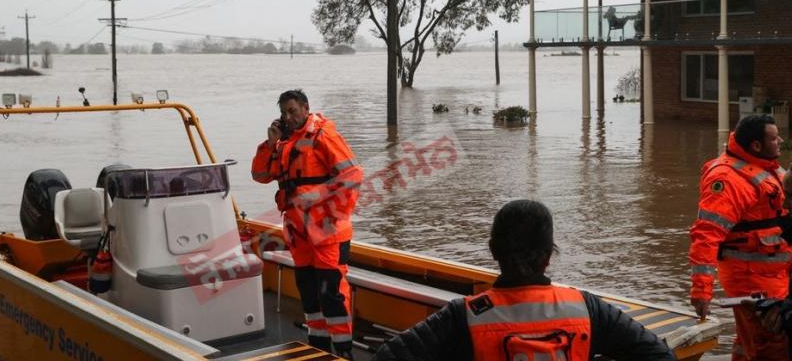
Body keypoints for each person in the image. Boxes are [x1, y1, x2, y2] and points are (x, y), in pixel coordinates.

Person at [373, 199, 676, 361]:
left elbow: (388, 357)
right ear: (548, 255)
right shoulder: (587, 309)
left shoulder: (462, 316)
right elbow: (659, 355)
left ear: (493, 251)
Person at [252, 89, 363, 358]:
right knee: (310, 292)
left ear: (305, 108)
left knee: (331, 294)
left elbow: (352, 176)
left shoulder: (323, 135)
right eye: (284, 113)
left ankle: (343, 351)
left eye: (292, 111)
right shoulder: (283, 143)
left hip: (327, 232)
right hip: (298, 232)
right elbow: (259, 174)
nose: (288, 117)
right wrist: (270, 145)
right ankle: (319, 347)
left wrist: (327, 213)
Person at [689, 114, 792, 360]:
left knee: (750, 342)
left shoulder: (766, 165)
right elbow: (707, 234)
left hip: (773, 272)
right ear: (756, 145)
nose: (781, 140)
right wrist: (702, 289)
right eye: (774, 137)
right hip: (752, 277)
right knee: (772, 342)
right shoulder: (727, 180)